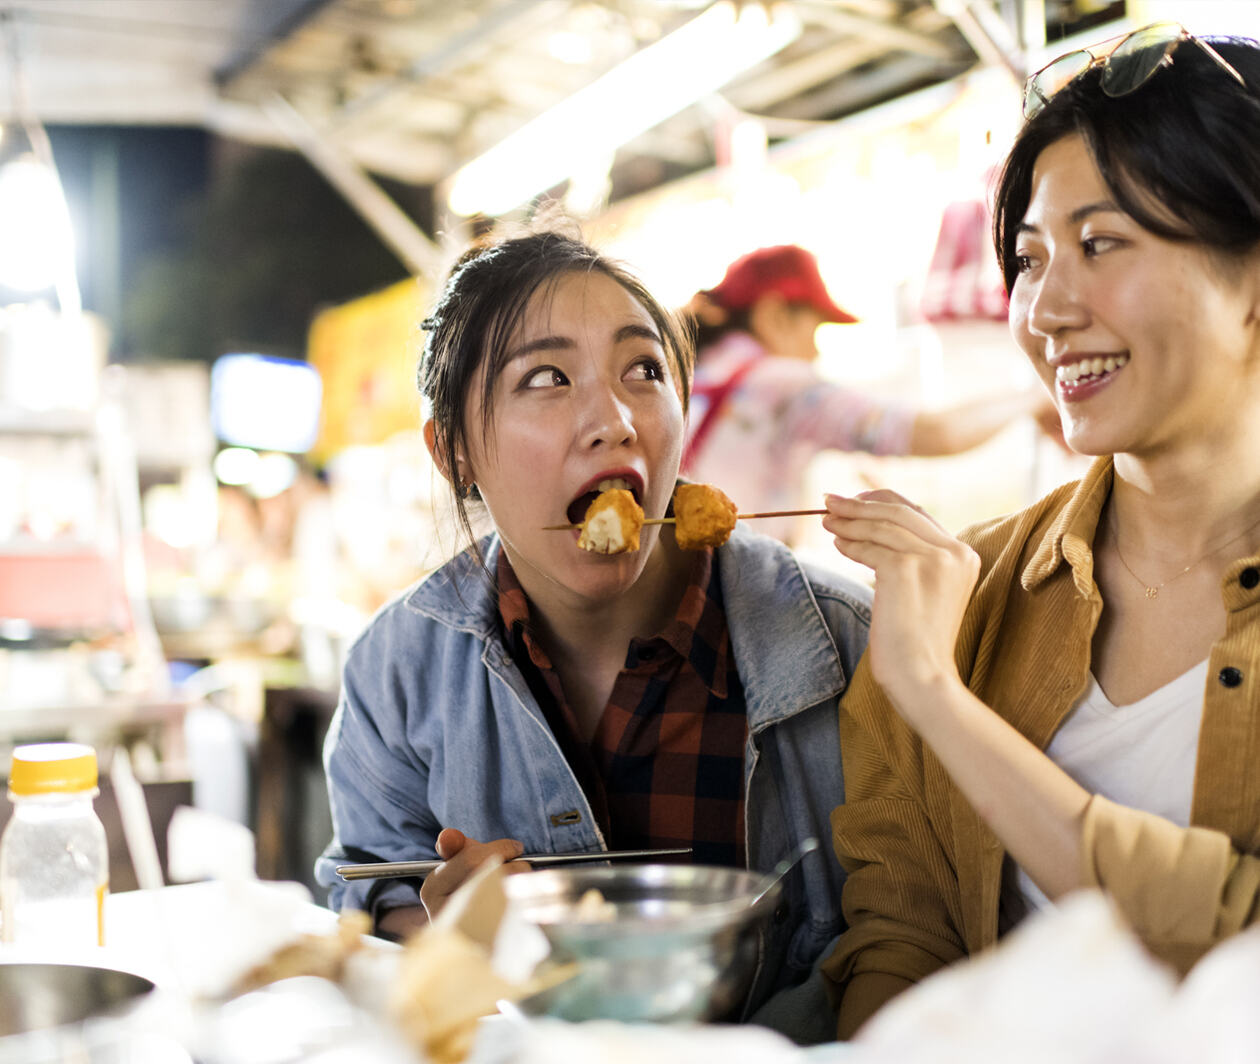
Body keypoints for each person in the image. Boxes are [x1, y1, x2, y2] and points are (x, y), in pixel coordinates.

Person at [314, 231, 873, 1039]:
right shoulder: (395, 672)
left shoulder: (851, 644)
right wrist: (444, 939)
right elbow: (372, 898)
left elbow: (909, 938)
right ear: (455, 453)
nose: (614, 422)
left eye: (644, 371)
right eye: (546, 378)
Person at [818, 24, 1260, 1038]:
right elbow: (900, 933)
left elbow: (1244, 942)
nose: (1045, 307)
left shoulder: (932, 657)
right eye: (1028, 258)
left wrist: (938, 697)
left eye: (1101, 244)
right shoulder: (966, 592)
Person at [682, 244, 1053, 544]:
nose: (816, 353)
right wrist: (1035, 398)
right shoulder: (781, 384)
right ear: (773, 316)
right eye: (813, 332)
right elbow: (936, 432)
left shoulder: (695, 373)